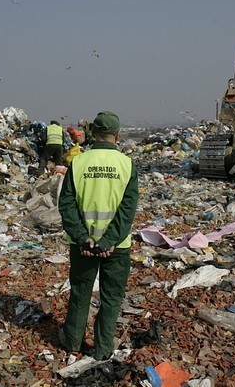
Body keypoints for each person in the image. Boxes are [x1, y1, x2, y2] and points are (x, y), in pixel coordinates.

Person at [58, 111, 139, 361]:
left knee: (80, 294)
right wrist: (108, 241)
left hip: (82, 245)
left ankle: (73, 344)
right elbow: (127, 210)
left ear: (92, 134)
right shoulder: (127, 165)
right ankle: (103, 349)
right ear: (117, 135)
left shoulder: (79, 163)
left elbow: (67, 204)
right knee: (111, 298)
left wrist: (83, 237)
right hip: (117, 247)